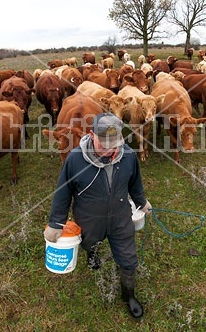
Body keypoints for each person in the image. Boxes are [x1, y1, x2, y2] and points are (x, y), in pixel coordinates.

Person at [44, 112, 152, 319]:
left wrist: (141, 202)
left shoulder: (127, 155)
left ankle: (128, 296)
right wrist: (56, 223)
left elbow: (135, 183)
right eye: (105, 143)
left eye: (115, 143)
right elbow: (63, 192)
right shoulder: (75, 159)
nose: (111, 149)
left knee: (129, 260)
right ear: (92, 135)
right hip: (89, 218)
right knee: (89, 241)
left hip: (121, 217)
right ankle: (92, 254)